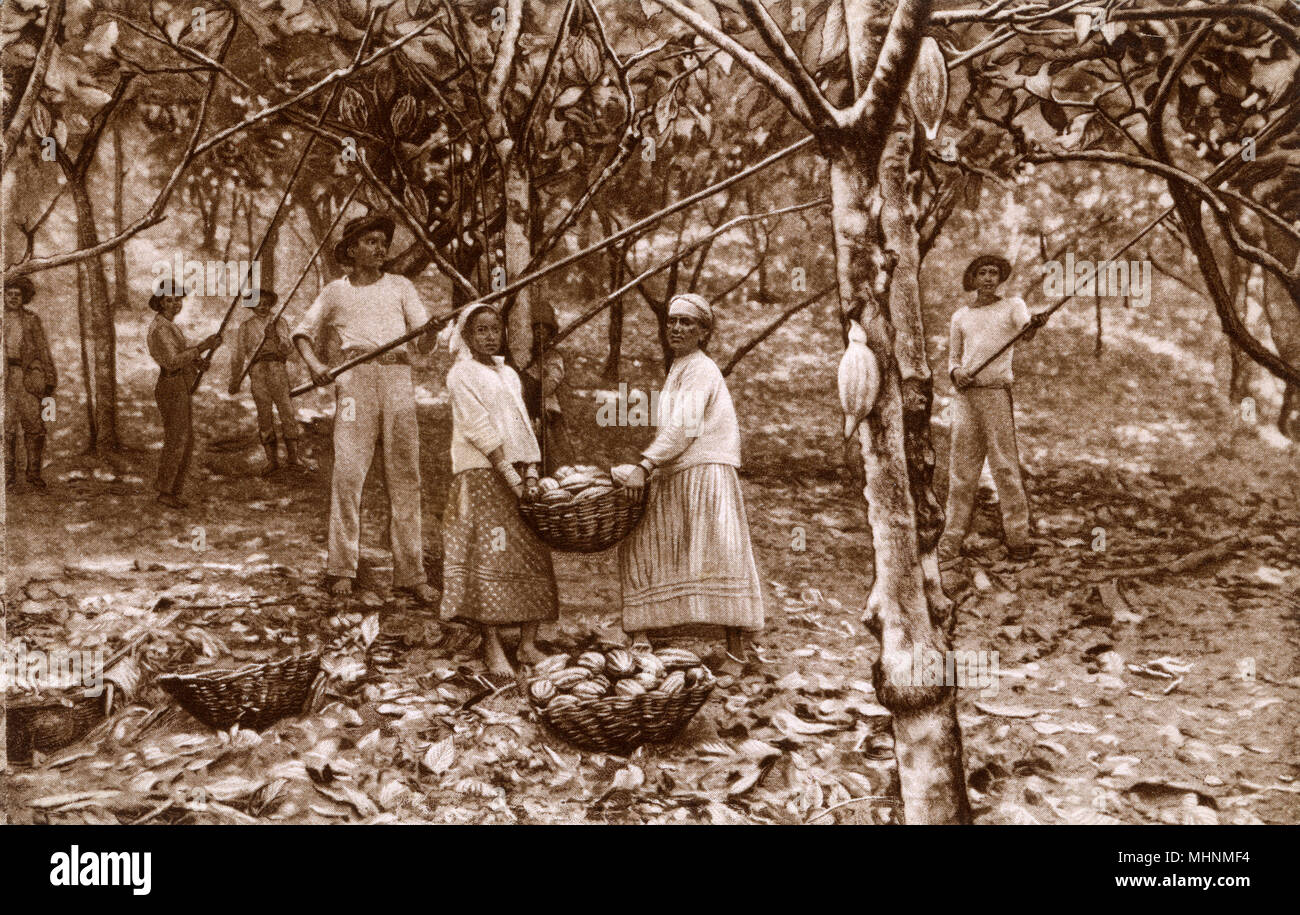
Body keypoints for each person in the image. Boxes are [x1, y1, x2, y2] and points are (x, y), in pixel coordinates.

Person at [291, 212, 437, 603]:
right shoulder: (335, 292)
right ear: (352, 249)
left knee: (405, 475)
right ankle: (341, 567)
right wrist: (319, 368)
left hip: (397, 380)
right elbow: (302, 333)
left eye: (382, 242)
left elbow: (423, 343)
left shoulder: (401, 286)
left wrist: (430, 333)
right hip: (354, 383)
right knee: (348, 472)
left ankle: (411, 573)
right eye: (370, 241)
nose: (380, 248)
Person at [617, 292, 764, 670]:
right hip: (682, 469)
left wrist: (645, 465)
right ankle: (643, 633)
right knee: (644, 539)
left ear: (703, 332)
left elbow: (684, 426)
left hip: (706, 471)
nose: (677, 328)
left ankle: (736, 651)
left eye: (687, 323)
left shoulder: (701, 368)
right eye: (672, 321)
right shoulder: (681, 366)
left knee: (720, 552)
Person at [439, 303, 558, 679]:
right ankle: (492, 646)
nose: (490, 337)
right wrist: (512, 477)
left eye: (495, 329)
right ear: (467, 336)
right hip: (483, 475)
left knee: (530, 554)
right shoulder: (461, 374)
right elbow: (478, 429)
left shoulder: (508, 373)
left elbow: (523, 424)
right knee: (490, 558)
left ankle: (527, 643)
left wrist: (533, 473)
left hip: (519, 475)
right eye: (481, 331)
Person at [939, 254, 1043, 562]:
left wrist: (1035, 325)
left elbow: (1025, 330)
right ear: (972, 279)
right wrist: (957, 373)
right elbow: (954, 359)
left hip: (996, 394)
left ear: (1000, 278)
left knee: (1004, 467)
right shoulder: (961, 316)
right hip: (967, 397)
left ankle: (1018, 538)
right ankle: (951, 540)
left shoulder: (1012, 306)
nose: (988, 278)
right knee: (962, 471)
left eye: (993, 273)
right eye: (982, 273)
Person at [147, 292, 220, 509]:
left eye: (178, 299)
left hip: (179, 385)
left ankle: (171, 490)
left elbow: (181, 355)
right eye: (169, 300)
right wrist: (202, 347)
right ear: (160, 303)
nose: (175, 304)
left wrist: (198, 362)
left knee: (184, 440)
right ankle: (166, 491)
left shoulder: (170, 326)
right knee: (178, 440)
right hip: (171, 386)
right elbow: (171, 361)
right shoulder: (160, 328)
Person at [228, 289, 305, 475]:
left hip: (277, 369)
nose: (262, 307)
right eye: (258, 303)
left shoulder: (279, 322)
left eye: (266, 303)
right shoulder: (246, 327)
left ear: (271, 304)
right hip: (257, 371)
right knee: (264, 414)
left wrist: (274, 337)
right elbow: (238, 355)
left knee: (286, 411)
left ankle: (294, 458)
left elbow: (288, 350)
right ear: (252, 305)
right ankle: (272, 460)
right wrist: (235, 378)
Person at [4, 276, 56, 489]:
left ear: (24, 297)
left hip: (26, 378)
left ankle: (33, 473)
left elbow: (42, 349)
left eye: (18, 295)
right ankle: (7, 476)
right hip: (4, 378)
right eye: (10, 294)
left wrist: (49, 377)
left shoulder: (31, 320)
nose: (14, 298)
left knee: (34, 426)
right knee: (6, 428)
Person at [522, 301, 573, 474]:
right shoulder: (526, 356)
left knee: (552, 447)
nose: (540, 333)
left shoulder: (552, 357)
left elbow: (553, 379)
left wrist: (538, 393)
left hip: (547, 408)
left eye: (545, 329)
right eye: (536, 329)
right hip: (527, 409)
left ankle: (556, 473)